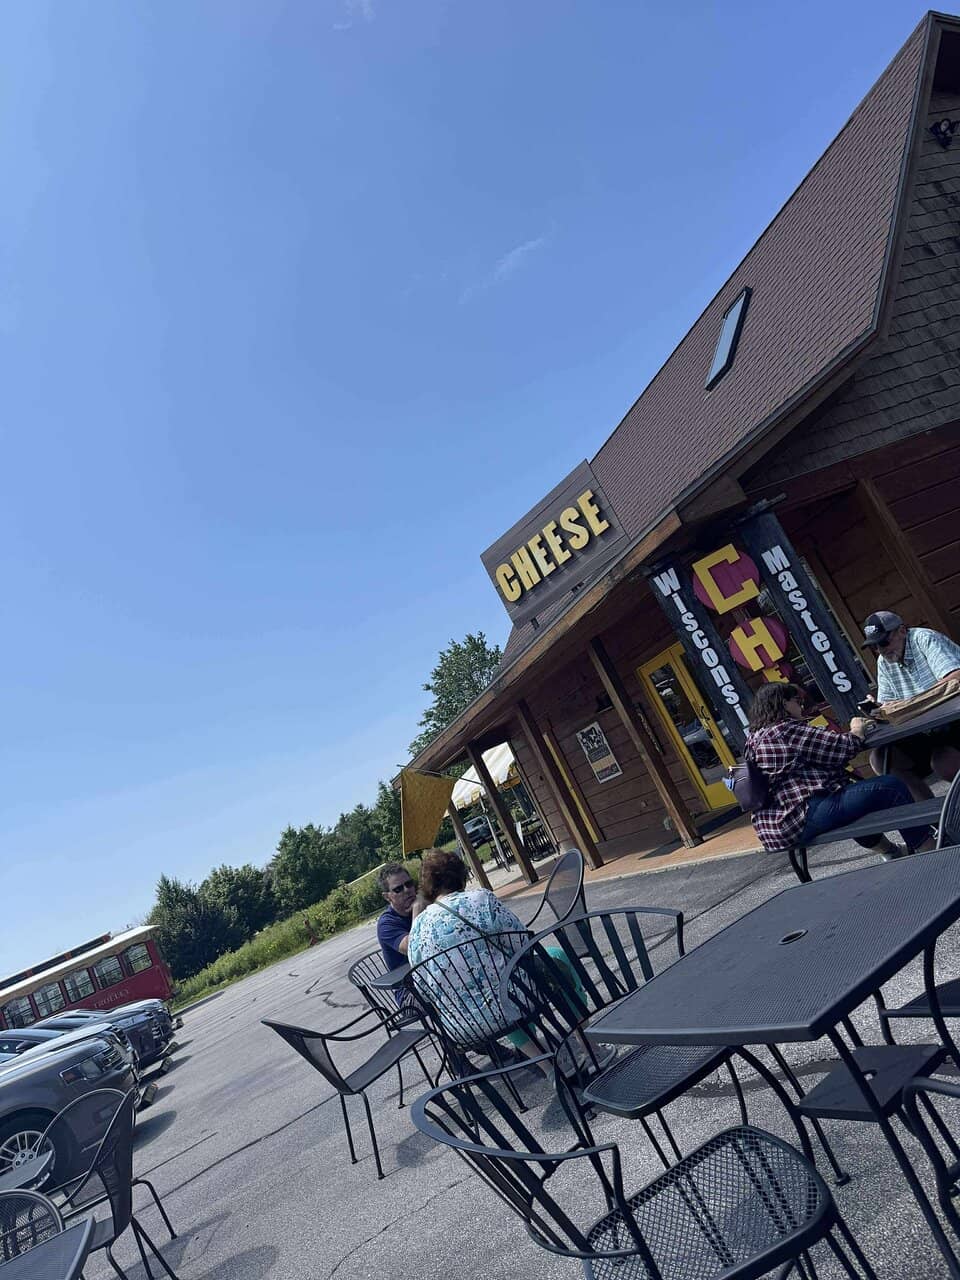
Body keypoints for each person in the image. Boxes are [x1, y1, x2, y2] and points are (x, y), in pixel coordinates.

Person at [745, 682, 934, 858]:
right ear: (783, 703)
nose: (801, 706)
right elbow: (841, 748)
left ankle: (891, 852)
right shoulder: (784, 730)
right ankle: (928, 848)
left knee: (850, 801)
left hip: (773, 827)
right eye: (797, 701)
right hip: (800, 817)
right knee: (891, 786)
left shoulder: (754, 739)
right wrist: (856, 729)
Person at [862, 610, 960, 800]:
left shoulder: (924, 638)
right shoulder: (885, 660)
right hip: (925, 730)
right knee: (881, 758)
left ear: (902, 631)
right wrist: (878, 709)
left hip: (954, 719)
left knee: (944, 762)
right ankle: (930, 821)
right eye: (875, 646)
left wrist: (911, 704)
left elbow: (955, 677)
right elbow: (889, 702)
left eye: (884, 642)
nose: (881, 650)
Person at [376, 862, 417, 973]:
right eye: (398, 889)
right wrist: (418, 908)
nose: (407, 890)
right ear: (387, 897)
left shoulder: (424, 902)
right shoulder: (386, 924)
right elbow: (414, 947)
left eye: (409, 884)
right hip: (409, 984)